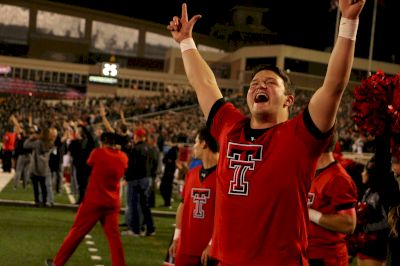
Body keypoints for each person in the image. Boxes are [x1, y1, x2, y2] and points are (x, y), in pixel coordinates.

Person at [167, 1, 366, 264]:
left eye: (270, 83)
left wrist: (349, 22)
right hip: (225, 260)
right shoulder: (230, 126)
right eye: (255, 83)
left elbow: (333, 86)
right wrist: (186, 43)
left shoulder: (300, 136)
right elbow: (204, 83)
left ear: (288, 100)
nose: (260, 85)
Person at [46, 132, 128, 266]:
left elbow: (89, 164)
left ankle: (57, 262)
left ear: (103, 142)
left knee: (77, 232)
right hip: (112, 202)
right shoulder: (123, 157)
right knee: (114, 237)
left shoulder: (98, 153)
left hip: (94, 201)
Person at [168, 126, 219, 266]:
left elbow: (227, 215)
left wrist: (212, 243)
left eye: (196, 141)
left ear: (204, 143)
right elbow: (183, 205)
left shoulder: (225, 176)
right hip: (186, 245)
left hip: (211, 250)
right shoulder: (192, 173)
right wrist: (177, 237)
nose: (194, 146)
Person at [307, 131, 358, 266]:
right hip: (308, 253)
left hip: (327, 257)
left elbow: (348, 224)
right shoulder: (311, 172)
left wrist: (310, 214)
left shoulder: (338, 178)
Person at [122, 128, 156, 237]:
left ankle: (135, 229)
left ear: (136, 137)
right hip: (147, 179)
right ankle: (149, 228)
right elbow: (154, 164)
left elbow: (131, 165)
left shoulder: (136, 149)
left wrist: (127, 178)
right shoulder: (150, 148)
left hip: (136, 180)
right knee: (144, 205)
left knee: (133, 204)